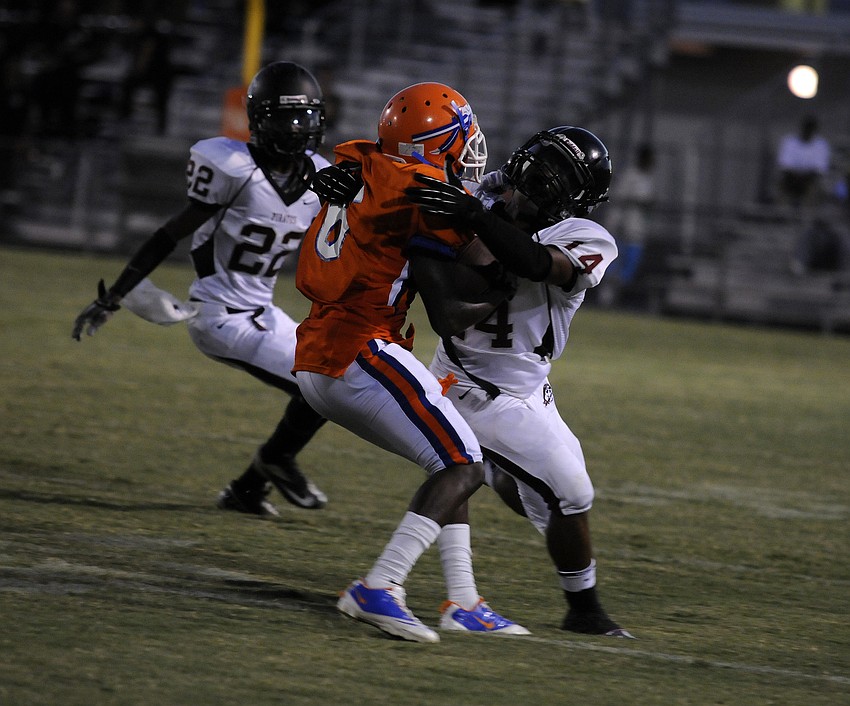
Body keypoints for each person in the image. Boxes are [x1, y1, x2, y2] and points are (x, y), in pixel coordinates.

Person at [294, 82, 527, 643]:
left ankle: (464, 600)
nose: (470, 149)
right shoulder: (419, 187)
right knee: (465, 464)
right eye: (459, 137)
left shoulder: (363, 160)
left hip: (322, 348)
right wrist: (504, 277)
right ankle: (381, 585)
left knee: (452, 455)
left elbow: (352, 176)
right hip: (359, 346)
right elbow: (472, 266)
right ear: (435, 145)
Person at [71, 61, 331, 516]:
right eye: (287, 116)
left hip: (263, 312)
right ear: (260, 119)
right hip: (219, 317)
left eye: (305, 116)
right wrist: (113, 296)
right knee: (322, 387)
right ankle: (274, 459)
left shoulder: (319, 177)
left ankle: (246, 491)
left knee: (335, 378)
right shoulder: (236, 168)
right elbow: (168, 235)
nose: (297, 127)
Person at [405, 126, 634, 637]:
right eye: (542, 161)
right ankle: (584, 610)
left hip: (528, 387)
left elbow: (532, 261)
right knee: (570, 490)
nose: (542, 175)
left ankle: (493, 472)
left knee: (555, 496)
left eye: (560, 173)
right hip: (468, 383)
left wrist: (476, 218)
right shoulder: (484, 196)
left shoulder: (587, 238)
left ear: (580, 196)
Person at [599, 142, 655, 307]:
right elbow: (619, 198)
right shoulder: (630, 175)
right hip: (623, 226)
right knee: (613, 262)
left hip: (636, 228)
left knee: (630, 265)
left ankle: (614, 298)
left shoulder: (648, 178)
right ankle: (605, 299)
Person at [776, 115, 831, 209]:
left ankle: (805, 218)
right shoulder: (790, 141)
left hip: (809, 181)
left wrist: (804, 178)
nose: (808, 131)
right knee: (779, 185)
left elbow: (819, 170)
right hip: (790, 179)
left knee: (816, 188)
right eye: (806, 128)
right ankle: (782, 215)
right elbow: (784, 166)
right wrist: (796, 177)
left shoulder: (821, 145)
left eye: (810, 129)